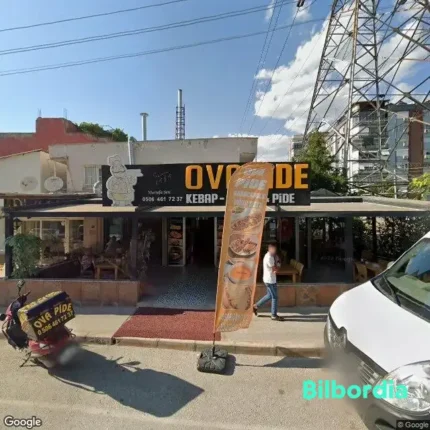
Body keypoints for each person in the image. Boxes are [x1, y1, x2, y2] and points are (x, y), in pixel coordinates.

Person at [253, 243, 283, 321]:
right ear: (269, 249)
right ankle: (274, 315)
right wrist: (278, 263)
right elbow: (275, 270)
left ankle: (255, 306)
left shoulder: (270, 256)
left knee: (269, 295)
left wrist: (277, 261)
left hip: (269, 279)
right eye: (273, 249)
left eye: (275, 249)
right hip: (270, 280)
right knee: (275, 297)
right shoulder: (269, 257)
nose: (274, 251)